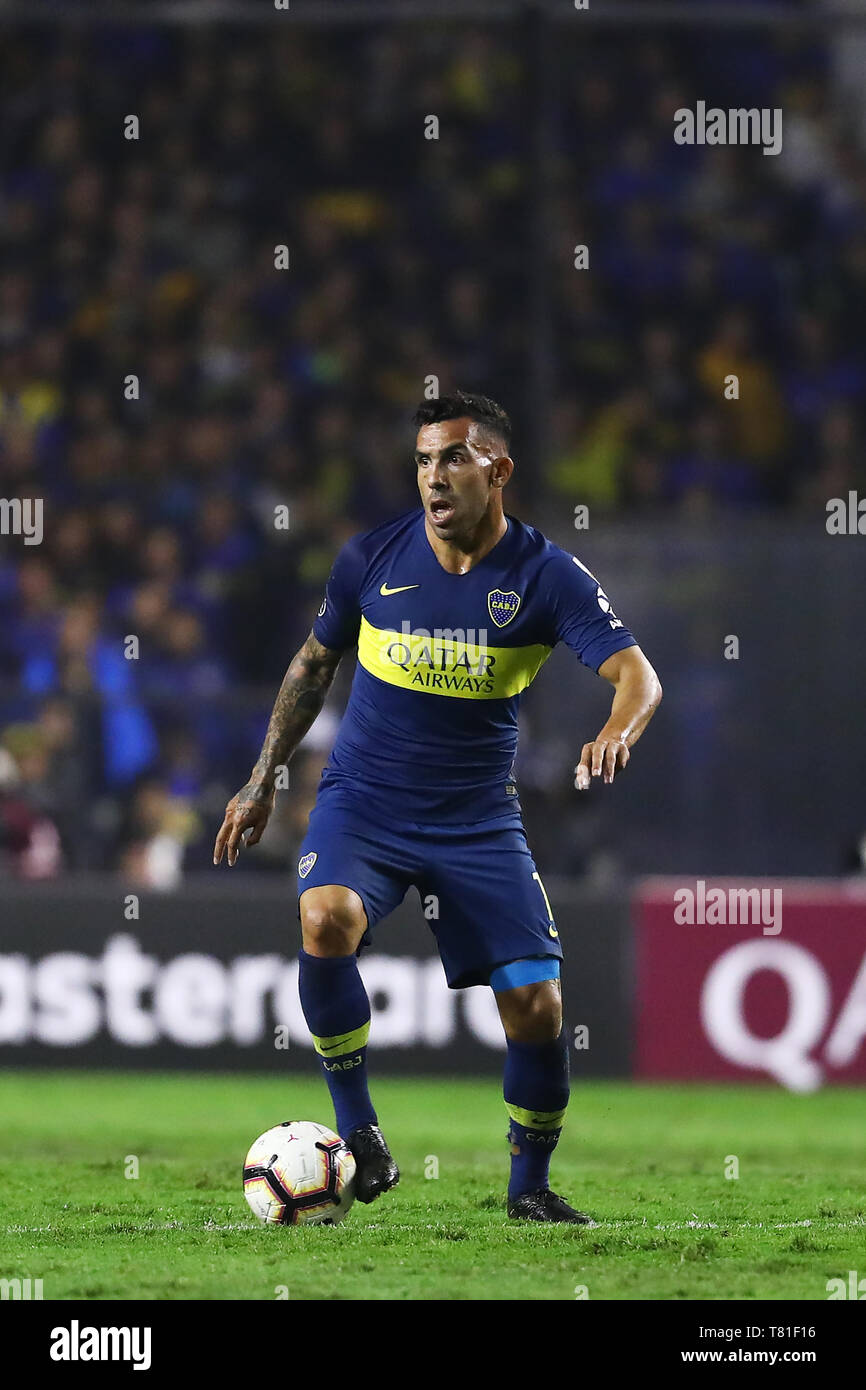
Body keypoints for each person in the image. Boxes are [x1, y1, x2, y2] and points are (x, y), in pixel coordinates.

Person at [214, 391, 662, 1222]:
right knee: (324, 919)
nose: (434, 476)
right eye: (423, 460)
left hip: (477, 820)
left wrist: (616, 728)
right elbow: (312, 668)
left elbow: (639, 675)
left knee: (536, 1003)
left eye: (453, 457)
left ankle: (529, 1191)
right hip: (366, 804)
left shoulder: (545, 575)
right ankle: (362, 1135)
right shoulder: (370, 560)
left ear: (499, 469)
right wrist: (262, 776)